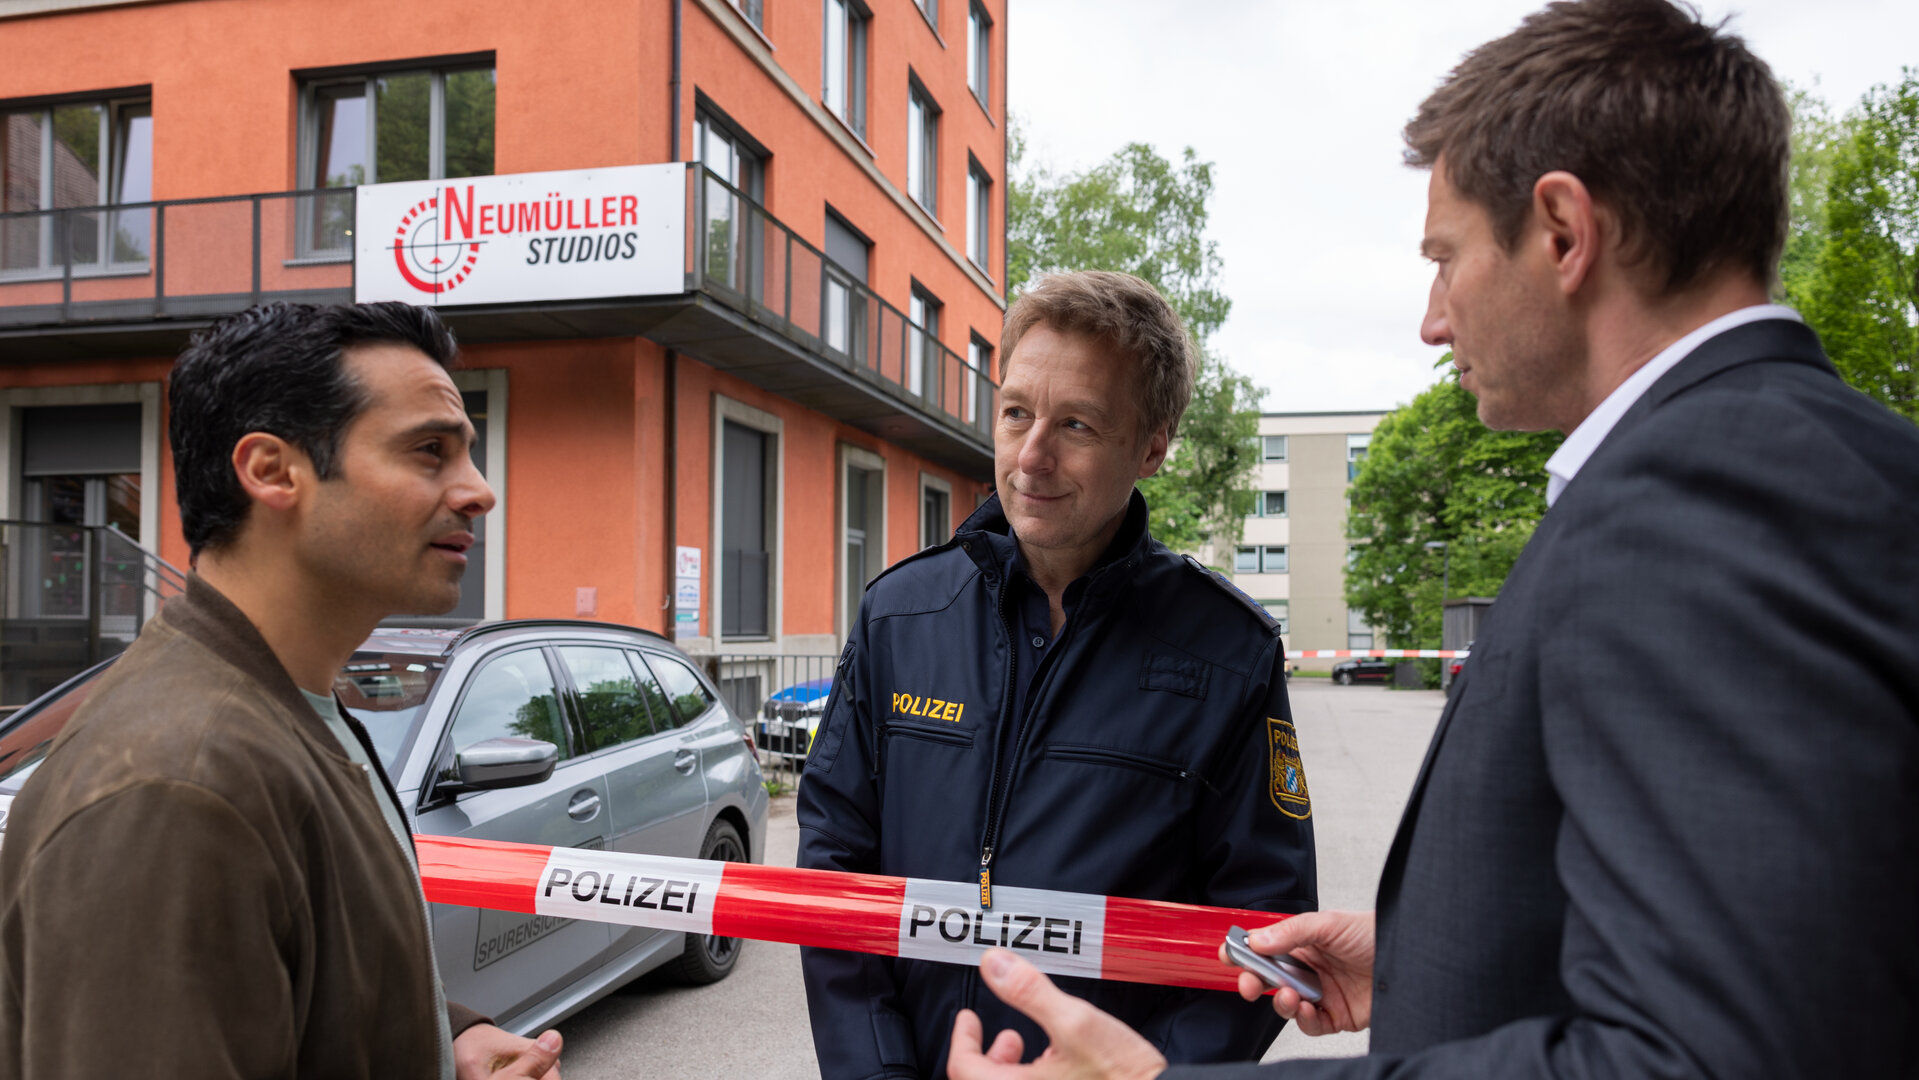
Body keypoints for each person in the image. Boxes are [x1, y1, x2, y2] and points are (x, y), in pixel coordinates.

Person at [941, 1, 1919, 1078]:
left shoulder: (1697, 504)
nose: (1431, 318)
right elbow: (1785, 934)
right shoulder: (1833, 461)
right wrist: (1421, 966)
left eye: (1444, 257)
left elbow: (1706, 1057)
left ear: (1561, 233)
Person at [0, 302, 565, 1079]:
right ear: (270, 471)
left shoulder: (300, 707)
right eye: (429, 451)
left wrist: (448, 1040)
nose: (478, 491)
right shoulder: (176, 788)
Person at [798, 270, 1317, 1078]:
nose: (1031, 456)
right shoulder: (899, 615)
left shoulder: (1226, 650)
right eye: (1015, 415)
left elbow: (1263, 920)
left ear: (1151, 445)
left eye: (1075, 423)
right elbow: (834, 865)